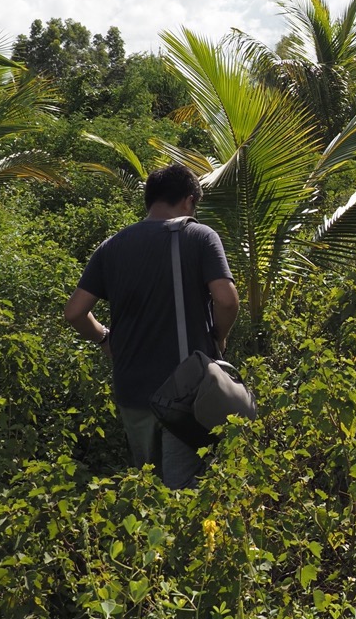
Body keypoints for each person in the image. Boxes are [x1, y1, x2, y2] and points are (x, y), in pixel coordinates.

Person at [64, 163, 238, 489]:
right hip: (186, 393)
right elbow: (226, 300)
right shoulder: (199, 235)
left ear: (150, 200)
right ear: (188, 201)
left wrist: (104, 338)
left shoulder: (112, 246)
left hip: (133, 392)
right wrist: (219, 336)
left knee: (150, 490)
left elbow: (75, 312)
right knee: (184, 495)